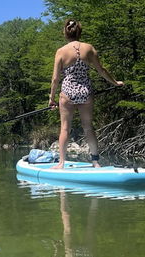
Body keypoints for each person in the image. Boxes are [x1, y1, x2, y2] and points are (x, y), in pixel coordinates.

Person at [49, 19, 124, 169]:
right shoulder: (89, 48)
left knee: (65, 128)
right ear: (79, 32)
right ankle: (95, 161)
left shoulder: (61, 51)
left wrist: (51, 98)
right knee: (88, 127)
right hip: (86, 92)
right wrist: (115, 82)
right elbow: (101, 70)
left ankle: (61, 163)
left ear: (65, 32)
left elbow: (56, 78)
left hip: (68, 93)